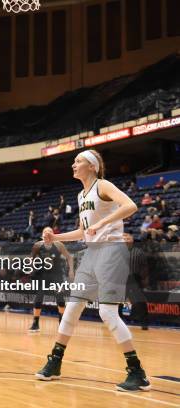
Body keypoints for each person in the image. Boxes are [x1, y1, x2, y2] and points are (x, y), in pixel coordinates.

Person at [35, 149, 151, 392]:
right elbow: (82, 231)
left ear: (92, 166)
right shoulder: (80, 195)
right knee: (72, 308)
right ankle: (54, 362)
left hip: (112, 250)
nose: (73, 165)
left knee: (108, 313)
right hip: (92, 252)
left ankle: (137, 372)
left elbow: (130, 206)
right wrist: (55, 236)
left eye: (78, 161)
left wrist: (102, 223)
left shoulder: (103, 185)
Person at [28, 227, 73, 333]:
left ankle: (62, 323)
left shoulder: (58, 244)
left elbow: (69, 257)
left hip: (56, 274)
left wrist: (71, 271)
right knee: (39, 297)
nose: (47, 234)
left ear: (53, 235)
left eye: (50, 232)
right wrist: (31, 267)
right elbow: (31, 258)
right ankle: (35, 323)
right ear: (42, 235)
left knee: (60, 298)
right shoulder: (38, 245)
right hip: (43, 275)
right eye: (45, 232)